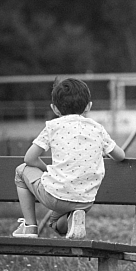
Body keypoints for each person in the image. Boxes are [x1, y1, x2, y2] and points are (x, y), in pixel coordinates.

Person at [11, 77, 125, 239]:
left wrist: (45, 170)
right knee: (54, 222)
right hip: (85, 200)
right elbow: (120, 156)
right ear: (88, 106)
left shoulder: (53, 127)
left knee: (21, 171)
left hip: (56, 195)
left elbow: (29, 159)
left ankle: (29, 227)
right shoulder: (97, 129)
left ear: (55, 109)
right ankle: (73, 218)